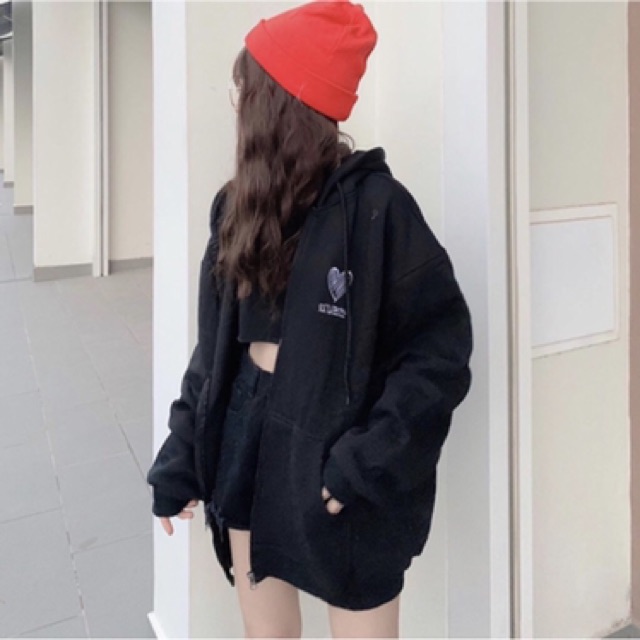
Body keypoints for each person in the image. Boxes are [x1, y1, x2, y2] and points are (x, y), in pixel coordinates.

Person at [146, 1, 473, 637]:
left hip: (338, 457)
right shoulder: (236, 210)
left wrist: (366, 462)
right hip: (248, 441)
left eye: (246, 91)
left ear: (279, 105)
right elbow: (214, 353)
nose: (238, 107)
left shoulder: (379, 211)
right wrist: (183, 452)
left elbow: (438, 355)